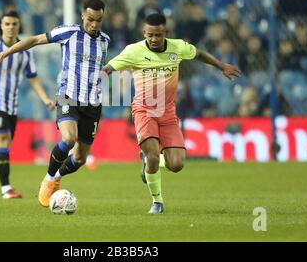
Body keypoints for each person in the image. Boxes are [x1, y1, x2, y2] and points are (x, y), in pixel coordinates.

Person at [102, 13, 240, 214]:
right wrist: (100, 76)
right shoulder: (133, 51)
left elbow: (199, 54)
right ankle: (157, 202)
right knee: (153, 156)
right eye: (150, 35)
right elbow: (109, 67)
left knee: (176, 164)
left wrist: (221, 66)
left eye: (158, 35)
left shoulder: (178, 47)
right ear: (144, 33)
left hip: (167, 113)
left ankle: (148, 160)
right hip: (143, 110)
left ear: (165, 32)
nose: (154, 39)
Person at [0, 0, 110, 207]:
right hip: (68, 96)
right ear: (82, 17)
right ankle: (49, 179)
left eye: (98, 20)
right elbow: (33, 40)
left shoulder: (105, 40)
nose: (94, 25)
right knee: (69, 138)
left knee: (80, 159)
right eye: (90, 19)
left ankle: (57, 175)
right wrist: (3, 54)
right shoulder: (68, 32)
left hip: (93, 105)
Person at [0, 10, 56, 199]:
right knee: (3, 140)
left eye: (14, 24)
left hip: (12, 106)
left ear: (18, 26)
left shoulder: (25, 52)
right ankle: (6, 189)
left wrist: (45, 98)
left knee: (1, 147)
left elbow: (33, 78)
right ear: (1, 26)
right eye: (7, 24)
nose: (10, 27)